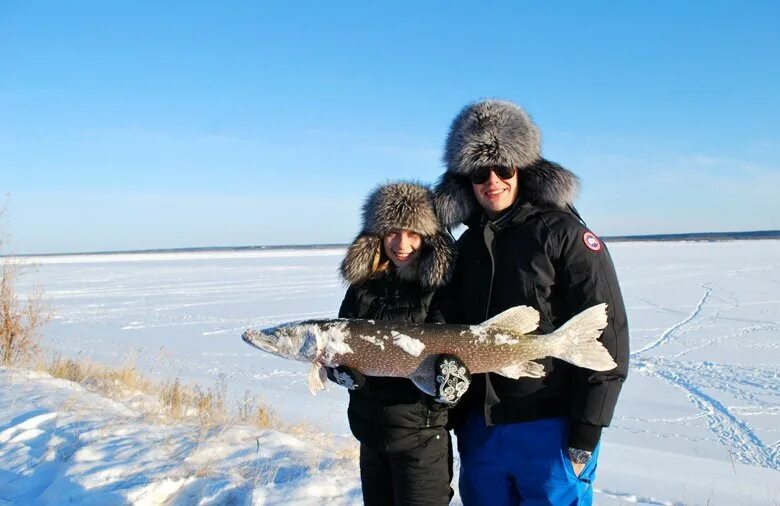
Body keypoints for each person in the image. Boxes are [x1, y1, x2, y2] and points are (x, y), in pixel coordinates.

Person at [434, 99, 630, 505]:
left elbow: (606, 331)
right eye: (478, 171)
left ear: (521, 168)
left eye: (503, 168)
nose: (493, 180)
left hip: (550, 427)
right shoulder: (465, 245)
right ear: (464, 180)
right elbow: (444, 328)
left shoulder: (562, 233)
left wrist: (587, 428)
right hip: (481, 429)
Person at [328, 181, 471, 506]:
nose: (401, 244)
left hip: (421, 440)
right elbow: (342, 340)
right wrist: (344, 373)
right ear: (378, 236)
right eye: (393, 232)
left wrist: (450, 385)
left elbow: (456, 354)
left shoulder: (442, 288)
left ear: (427, 237)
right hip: (371, 437)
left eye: (413, 233)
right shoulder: (363, 285)